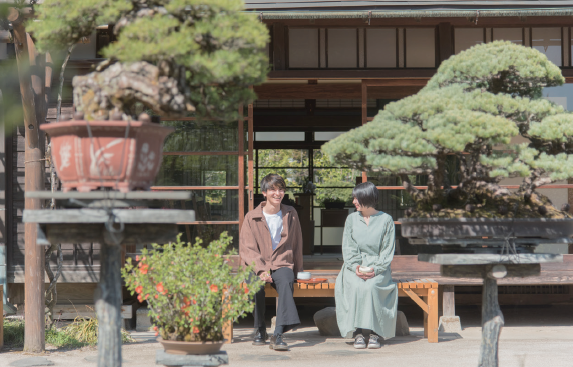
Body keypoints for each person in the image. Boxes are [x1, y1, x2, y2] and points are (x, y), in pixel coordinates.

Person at [239, 174, 303, 351]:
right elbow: (247, 248)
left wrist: (299, 271)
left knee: (286, 282)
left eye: (281, 189)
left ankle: (279, 334)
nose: (278, 193)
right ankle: (260, 329)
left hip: (282, 262)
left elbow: (297, 243)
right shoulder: (251, 217)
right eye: (273, 189)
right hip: (256, 265)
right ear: (264, 192)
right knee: (256, 286)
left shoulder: (291, 213)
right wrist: (260, 271)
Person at [335, 181, 398, 349]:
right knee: (355, 285)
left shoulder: (386, 220)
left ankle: (374, 333)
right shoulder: (351, 219)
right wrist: (356, 267)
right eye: (354, 198)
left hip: (379, 266)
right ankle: (357, 333)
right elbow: (348, 248)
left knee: (372, 286)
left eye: (357, 198)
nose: (354, 201)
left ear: (368, 198)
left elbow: (387, 251)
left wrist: (375, 269)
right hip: (354, 267)